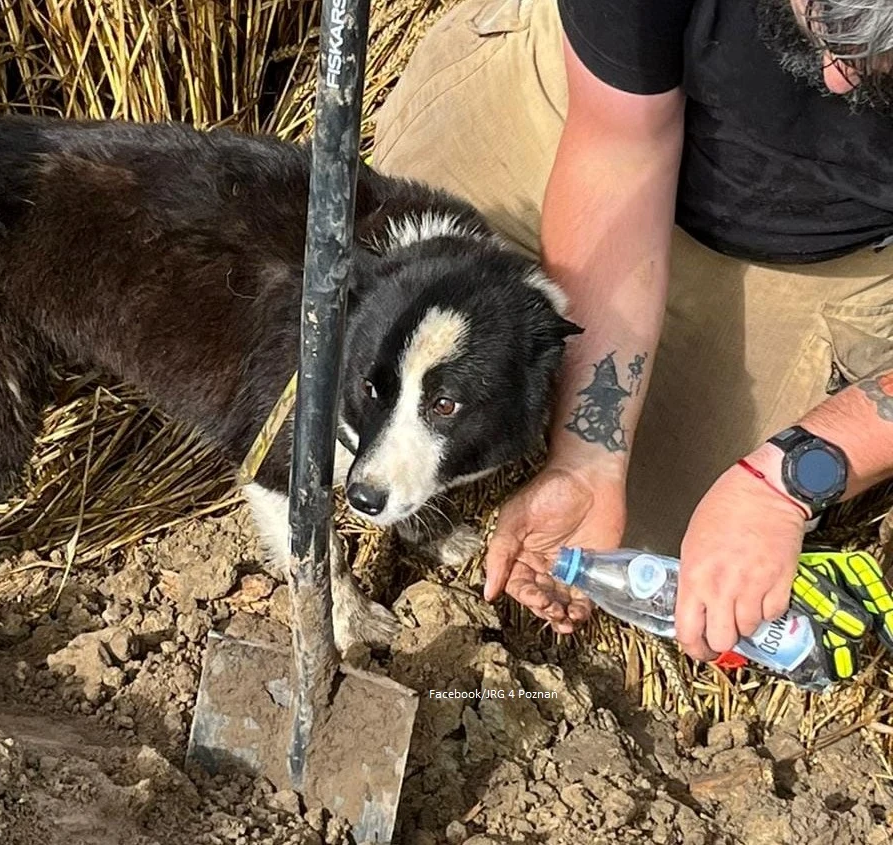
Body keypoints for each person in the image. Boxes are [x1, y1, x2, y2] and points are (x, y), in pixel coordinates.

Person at [373, 0, 893, 664]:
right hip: (590, 102)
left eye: (874, 53)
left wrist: (787, 479)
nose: (835, 80)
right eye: (821, 19)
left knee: (675, 556)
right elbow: (621, 145)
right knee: (369, 331)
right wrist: (589, 455)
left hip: (814, 259)